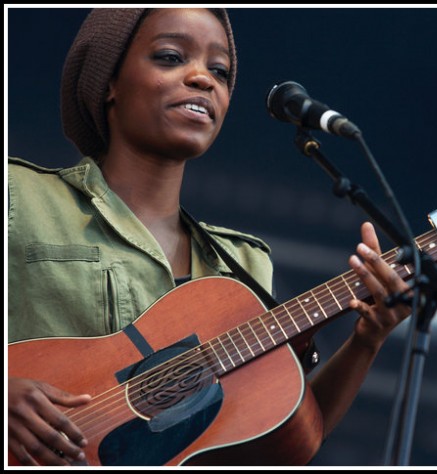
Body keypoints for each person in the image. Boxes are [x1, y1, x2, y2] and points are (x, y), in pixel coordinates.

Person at [7, 8, 410, 466]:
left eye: (219, 70)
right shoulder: (18, 197)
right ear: (109, 81)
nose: (203, 78)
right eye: (171, 57)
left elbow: (277, 448)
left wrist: (367, 340)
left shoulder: (243, 266)